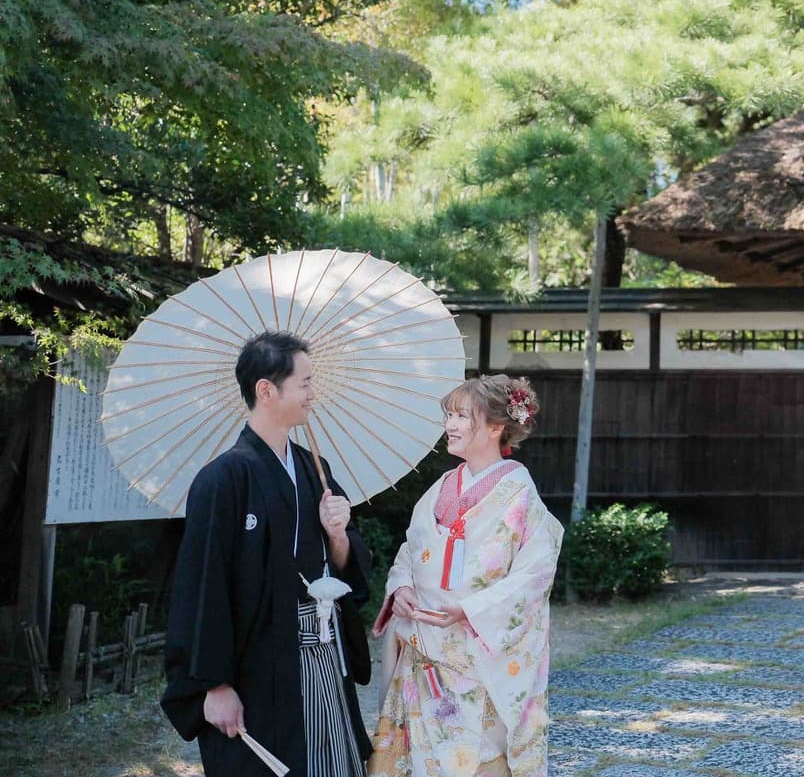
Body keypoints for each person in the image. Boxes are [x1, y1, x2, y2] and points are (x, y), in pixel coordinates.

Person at [162, 331, 373, 777]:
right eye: (305, 383)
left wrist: (337, 533)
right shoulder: (223, 478)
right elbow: (203, 586)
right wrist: (215, 685)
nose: (313, 393)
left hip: (321, 646)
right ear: (266, 390)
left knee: (331, 762)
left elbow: (343, 563)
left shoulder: (316, 468)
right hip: (255, 659)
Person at [369, 375, 563, 777]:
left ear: (496, 426)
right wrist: (402, 587)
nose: (450, 425)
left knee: (473, 757)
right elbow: (411, 549)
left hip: (476, 652)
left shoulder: (519, 494)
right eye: (450, 415)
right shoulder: (441, 486)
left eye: (462, 416)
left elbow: (534, 575)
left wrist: (472, 609)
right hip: (424, 648)